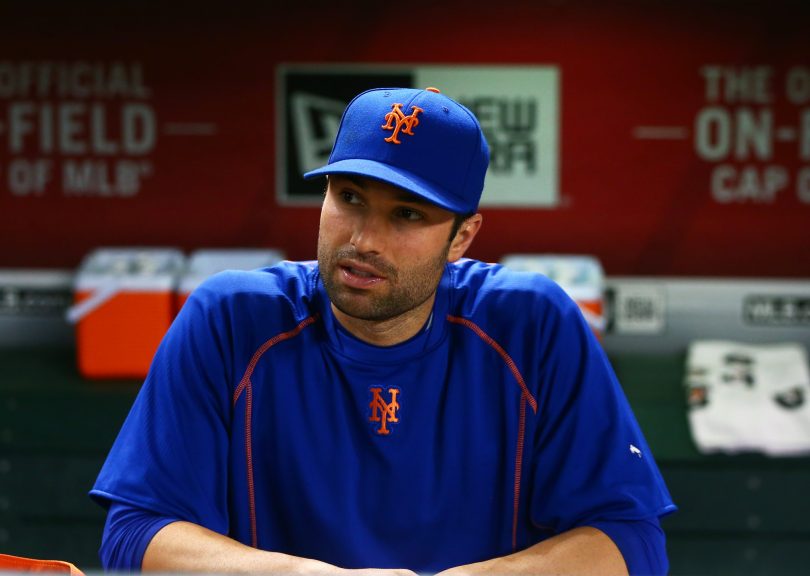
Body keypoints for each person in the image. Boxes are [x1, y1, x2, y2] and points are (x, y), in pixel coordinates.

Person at [90, 86, 676, 575]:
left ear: (463, 237)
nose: (364, 240)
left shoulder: (531, 323)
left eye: (407, 214)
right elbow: (134, 537)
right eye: (349, 197)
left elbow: (630, 541)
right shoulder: (231, 318)